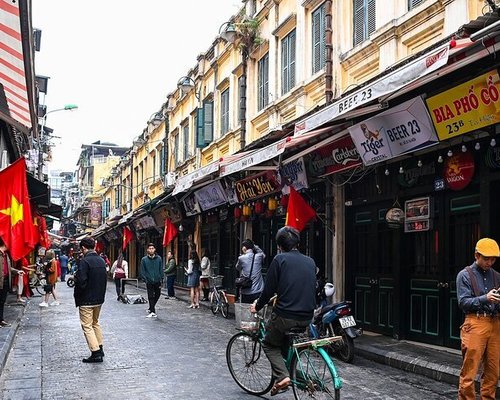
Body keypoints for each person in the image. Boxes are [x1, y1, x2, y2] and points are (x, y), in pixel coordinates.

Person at [250, 226, 317, 396]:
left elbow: (268, 290)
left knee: (268, 343)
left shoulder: (279, 260)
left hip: (286, 316)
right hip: (308, 316)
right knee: (284, 342)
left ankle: (283, 377)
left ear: (279, 245)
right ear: (298, 244)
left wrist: (257, 305)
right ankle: (290, 373)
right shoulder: (310, 261)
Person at [456, 238, 500, 400]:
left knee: (493, 371)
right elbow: (463, 302)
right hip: (475, 322)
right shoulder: (465, 275)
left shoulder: (496, 276)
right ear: (476, 255)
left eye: (493, 259)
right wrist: (485, 298)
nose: (490, 262)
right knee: (470, 369)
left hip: (495, 323)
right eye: (486, 258)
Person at [74, 237, 108, 363]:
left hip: (87, 299)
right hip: (99, 299)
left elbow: (81, 281)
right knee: (95, 323)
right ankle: (100, 347)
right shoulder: (101, 260)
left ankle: (95, 352)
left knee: (87, 326)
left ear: (83, 248)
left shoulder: (85, 261)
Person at [236, 239, 265, 304]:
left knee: (246, 311)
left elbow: (237, 268)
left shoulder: (241, 258)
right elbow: (263, 254)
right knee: (258, 311)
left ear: (244, 248)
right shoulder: (259, 256)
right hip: (258, 290)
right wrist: (254, 246)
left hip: (246, 291)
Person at [140, 243, 163, 318]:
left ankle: (151, 307)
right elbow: (143, 270)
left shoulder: (159, 258)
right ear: (147, 250)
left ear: (155, 249)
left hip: (157, 280)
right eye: (149, 248)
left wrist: (161, 278)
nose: (151, 250)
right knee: (150, 296)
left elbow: (161, 269)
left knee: (158, 294)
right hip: (149, 281)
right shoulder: (144, 260)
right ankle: (153, 311)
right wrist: (145, 279)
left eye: (152, 248)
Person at [0, 239, 19, 327]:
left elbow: (8, 268)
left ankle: (1, 319)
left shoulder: (6, 255)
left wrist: (17, 271)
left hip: (6, 280)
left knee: (2, 301)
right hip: (1, 280)